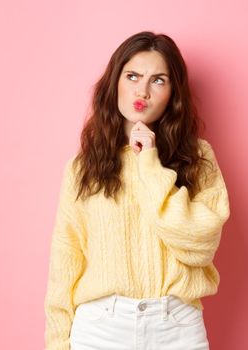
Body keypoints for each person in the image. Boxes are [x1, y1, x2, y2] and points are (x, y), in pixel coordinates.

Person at [44, 31, 231, 350]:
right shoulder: (82, 168)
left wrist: (149, 161)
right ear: (115, 82)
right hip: (100, 329)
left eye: (158, 80)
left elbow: (198, 244)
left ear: (173, 94)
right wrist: (58, 343)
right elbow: (65, 262)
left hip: (177, 327)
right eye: (132, 76)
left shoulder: (198, 159)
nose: (142, 90)